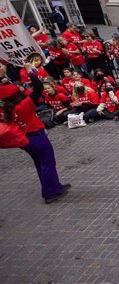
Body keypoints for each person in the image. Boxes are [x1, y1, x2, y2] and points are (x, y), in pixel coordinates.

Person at [0, 71, 71, 203]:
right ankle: (51, 192)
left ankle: (54, 186)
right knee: (48, 163)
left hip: (24, 140)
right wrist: (31, 72)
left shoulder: (5, 109)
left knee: (41, 164)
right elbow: (38, 88)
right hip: (36, 136)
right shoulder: (24, 105)